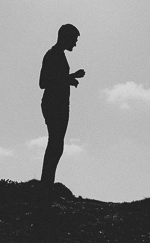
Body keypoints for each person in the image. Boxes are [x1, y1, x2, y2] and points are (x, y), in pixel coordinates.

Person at [39, 23, 85, 189]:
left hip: (60, 105)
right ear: (65, 37)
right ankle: (46, 185)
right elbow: (43, 82)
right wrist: (70, 76)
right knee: (55, 144)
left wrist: (69, 80)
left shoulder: (58, 55)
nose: (75, 43)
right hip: (53, 104)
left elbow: (56, 79)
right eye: (74, 39)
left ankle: (47, 183)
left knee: (57, 144)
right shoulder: (53, 55)